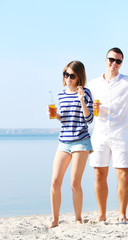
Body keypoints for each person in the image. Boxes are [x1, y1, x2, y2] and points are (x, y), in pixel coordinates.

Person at [88, 47, 128, 222]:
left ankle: (122, 214)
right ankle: (101, 215)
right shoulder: (93, 84)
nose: (114, 63)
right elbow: (85, 108)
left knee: (123, 174)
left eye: (118, 61)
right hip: (99, 133)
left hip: (120, 133)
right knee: (99, 174)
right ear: (105, 60)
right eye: (111, 59)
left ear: (121, 63)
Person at [48, 61, 94, 228]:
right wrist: (56, 116)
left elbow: (89, 119)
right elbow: (65, 119)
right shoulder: (61, 95)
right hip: (64, 141)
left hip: (81, 141)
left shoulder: (86, 93)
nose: (68, 78)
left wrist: (82, 100)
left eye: (72, 76)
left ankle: (78, 218)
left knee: (74, 182)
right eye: (65, 74)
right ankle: (54, 219)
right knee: (55, 182)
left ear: (79, 77)